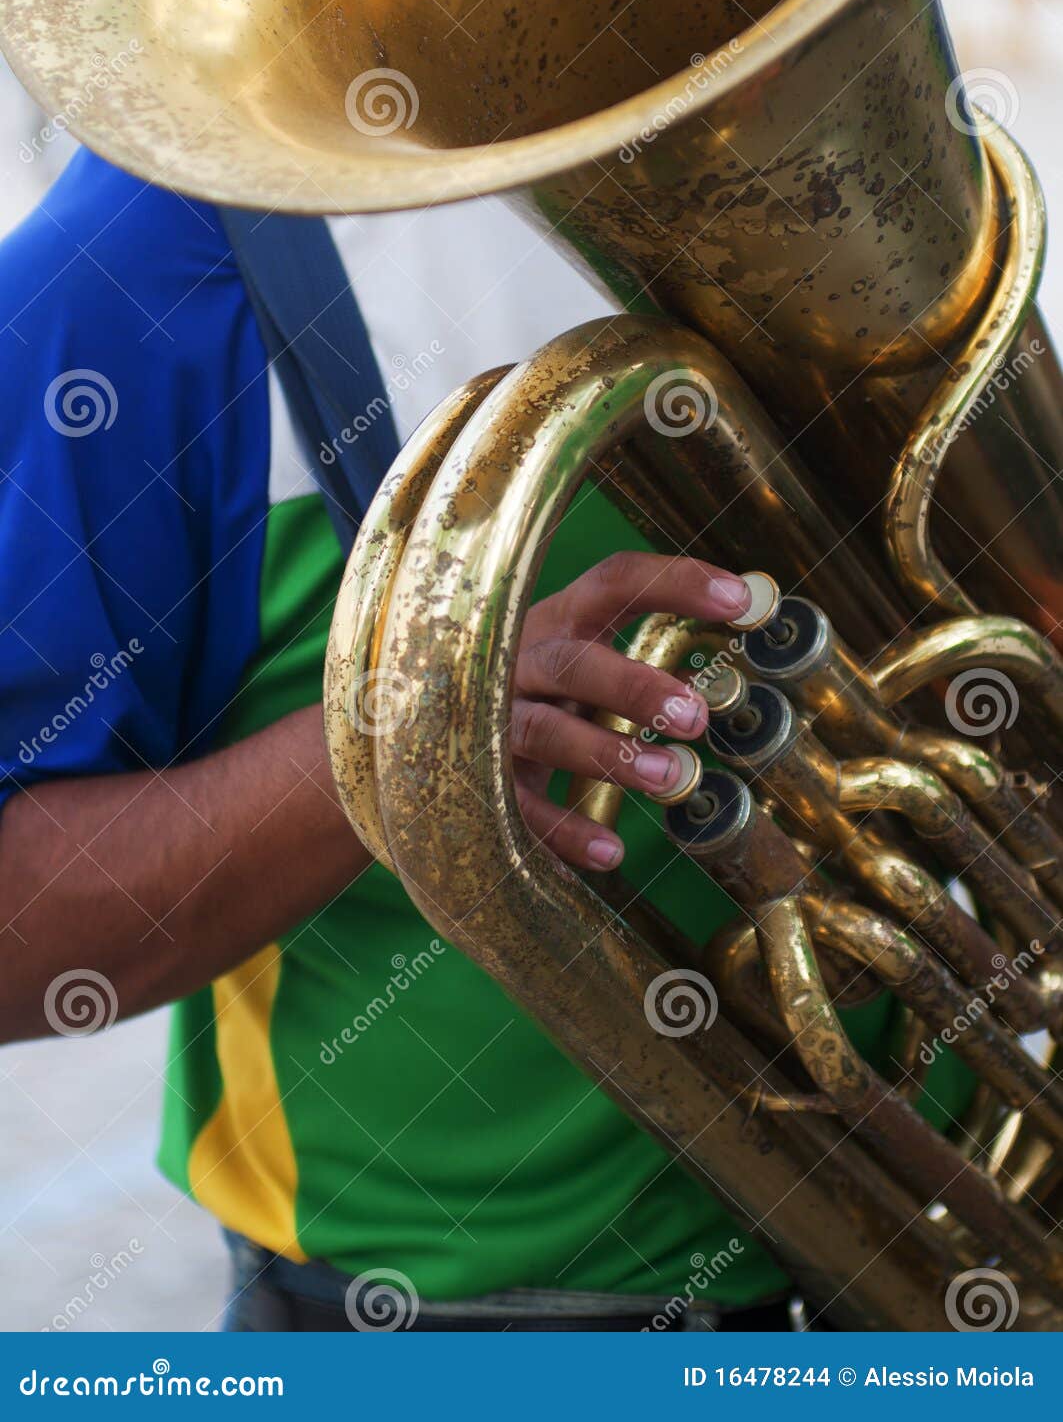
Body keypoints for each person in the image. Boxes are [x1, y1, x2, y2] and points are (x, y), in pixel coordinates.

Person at [0, 148, 971, 1331]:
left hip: (965, 1230)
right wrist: (406, 724)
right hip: (470, 1325)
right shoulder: (137, 263)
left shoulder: (813, 144)